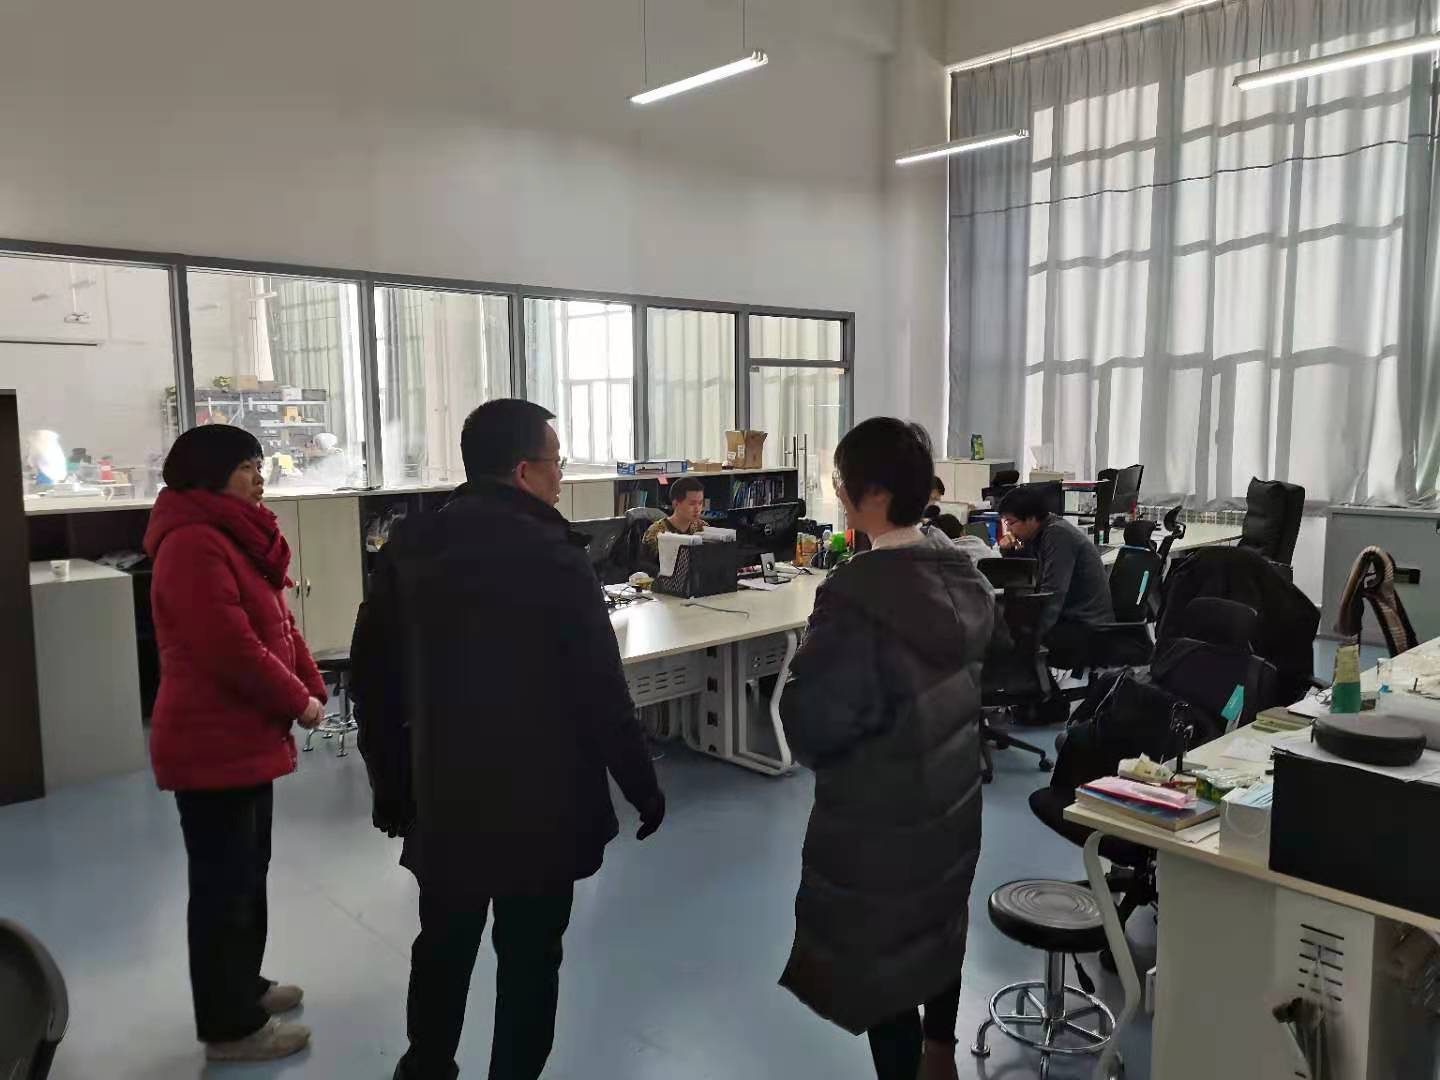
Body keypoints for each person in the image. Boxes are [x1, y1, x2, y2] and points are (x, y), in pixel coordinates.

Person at [350, 399, 666, 1080]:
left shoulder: (409, 549)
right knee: (530, 963)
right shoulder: (556, 556)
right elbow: (601, 690)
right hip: (542, 807)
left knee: (442, 947)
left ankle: (425, 1068)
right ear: (524, 471)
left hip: (445, 797)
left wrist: (391, 786)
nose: (561, 477)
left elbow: (373, 684)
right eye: (556, 464)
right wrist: (643, 787)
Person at [777, 418, 994, 1080]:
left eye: (841, 482)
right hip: (950, 797)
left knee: (884, 958)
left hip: (883, 811)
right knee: (939, 923)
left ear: (872, 494)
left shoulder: (860, 598)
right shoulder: (961, 577)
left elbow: (813, 723)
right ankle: (940, 1053)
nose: (838, 495)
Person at [144, 424, 326, 1064]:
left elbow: (278, 622)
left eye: (258, 465)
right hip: (210, 740)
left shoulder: (234, 534)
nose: (260, 479)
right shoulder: (192, 543)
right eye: (247, 466)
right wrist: (297, 701)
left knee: (248, 874)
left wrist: (310, 681)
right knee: (223, 888)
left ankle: (244, 987)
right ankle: (230, 1029)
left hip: (244, 737)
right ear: (209, 473)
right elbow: (231, 647)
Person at [997, 484, 1113, 668]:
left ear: (1031, 518)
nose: (1009, 530)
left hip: (1086, 628)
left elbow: (1052, 595)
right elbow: (1028, 571)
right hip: (1073, 619)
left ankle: (1039, 684)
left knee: (1007, 644)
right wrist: (1010, 550)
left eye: (1011, 523)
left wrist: (1032, 637)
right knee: (1009, 631)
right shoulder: (1042, 533)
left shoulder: (1057, 535)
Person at [641, 474, 706, 556]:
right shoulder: (656, 533)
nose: (697, 509)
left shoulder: (702, 528)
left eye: (700, 503)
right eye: (692, 504)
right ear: (676, 504)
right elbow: (645, 562)